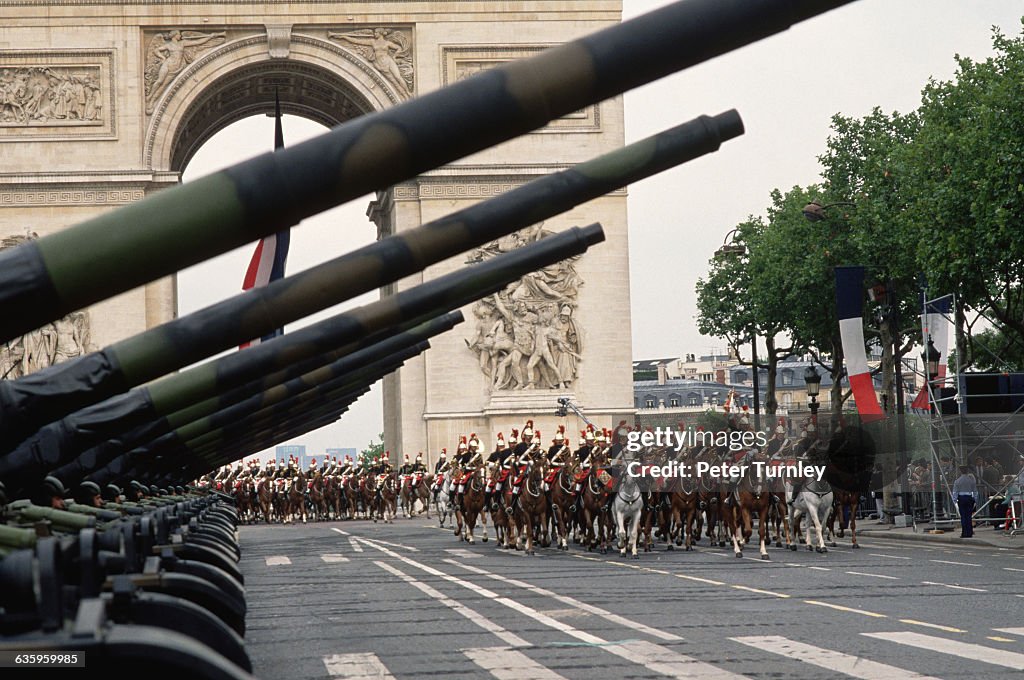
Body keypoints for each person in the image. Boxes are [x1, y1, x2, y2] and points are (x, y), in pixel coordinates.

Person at [951, 465, 978, 538]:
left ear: (960, 471)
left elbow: (955, 492)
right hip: (969, 498)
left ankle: (964, 532)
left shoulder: (957, 481)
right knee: (969, 516)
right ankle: (970, 532)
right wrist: (975, 499)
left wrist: (954, 500)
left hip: (961, 499)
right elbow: (975, 491)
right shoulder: (971, 480)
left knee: (963, 516)